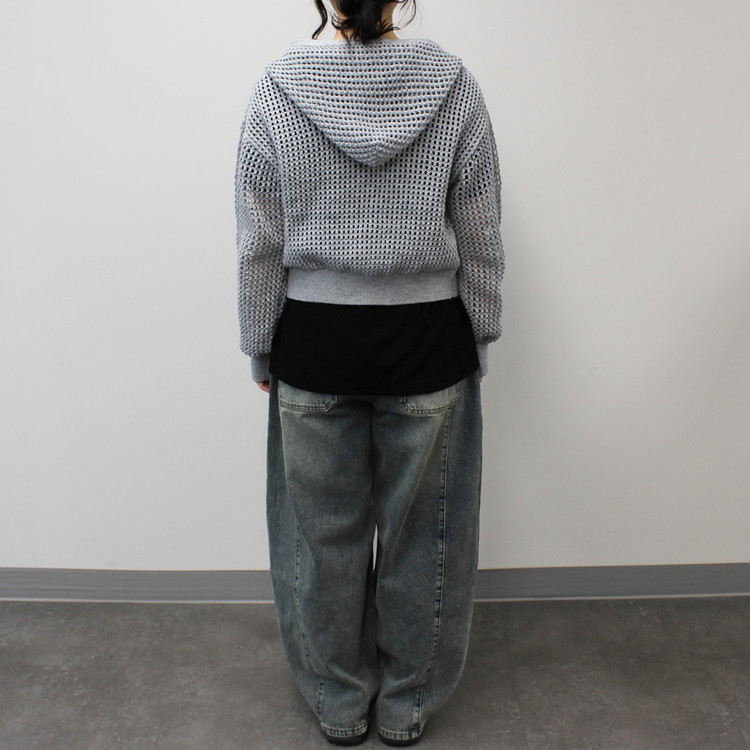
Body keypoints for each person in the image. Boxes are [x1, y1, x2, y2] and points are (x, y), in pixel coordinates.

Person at [234, 0, 504, 745]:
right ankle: (408, 705)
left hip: (312, 343)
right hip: (429, 343)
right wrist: (481, 333)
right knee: (429, 539)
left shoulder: (279, 86)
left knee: (319, 541)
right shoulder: (451, 83)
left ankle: (338, 701)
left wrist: (260, 343)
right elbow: (480, 226)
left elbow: (259, 237)